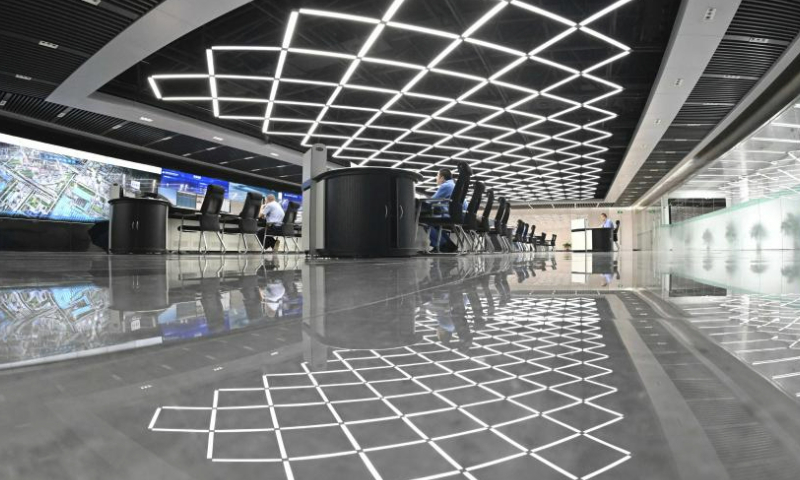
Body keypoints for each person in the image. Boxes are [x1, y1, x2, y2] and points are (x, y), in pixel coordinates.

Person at [426, 168, 459, 252]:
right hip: (455, 213)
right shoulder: (453, 185)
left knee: (426, 221)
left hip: (451, 214)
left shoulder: (446, 185)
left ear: (442, 177)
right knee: (436, 224)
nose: (436, 178)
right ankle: (449, 245)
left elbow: (432, 201)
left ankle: (441, 245)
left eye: (437, 176)